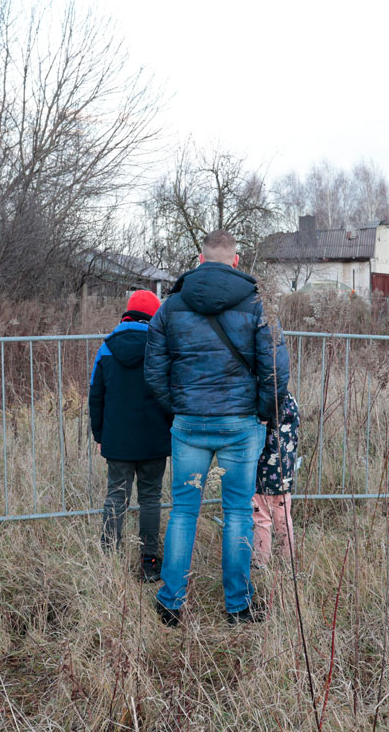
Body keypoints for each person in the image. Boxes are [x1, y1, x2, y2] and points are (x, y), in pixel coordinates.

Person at [144, 229, 289, 625]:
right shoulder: (258, 303)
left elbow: (154, 369)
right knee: (239, 512)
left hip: (189, 425)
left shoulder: (171, 306)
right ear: (236, 260)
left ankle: (171, 602)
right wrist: (263, 411)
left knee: (183, 511)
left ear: (201, 258)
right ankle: (238, 606)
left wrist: (179, 407)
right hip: (240, 425)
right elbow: (276, 368)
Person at [89, 289, 172, 582]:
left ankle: (108, 557)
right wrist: (170, 429)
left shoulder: (107, 348)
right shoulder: (160, 347)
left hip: (117, 439)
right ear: (154, 316)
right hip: (154, 440)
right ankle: (150, 562)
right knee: (150, 499)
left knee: (116, 497)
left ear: (127, 313)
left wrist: (99, 433)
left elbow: (95, 395)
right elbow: (169, 394)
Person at [252, 392, 300, 568]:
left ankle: (260, 562)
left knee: (261, 517)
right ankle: (287, 562)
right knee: (283, 517)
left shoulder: (264, 404)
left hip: (263, 471)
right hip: (285, 472)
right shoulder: (290, 402)